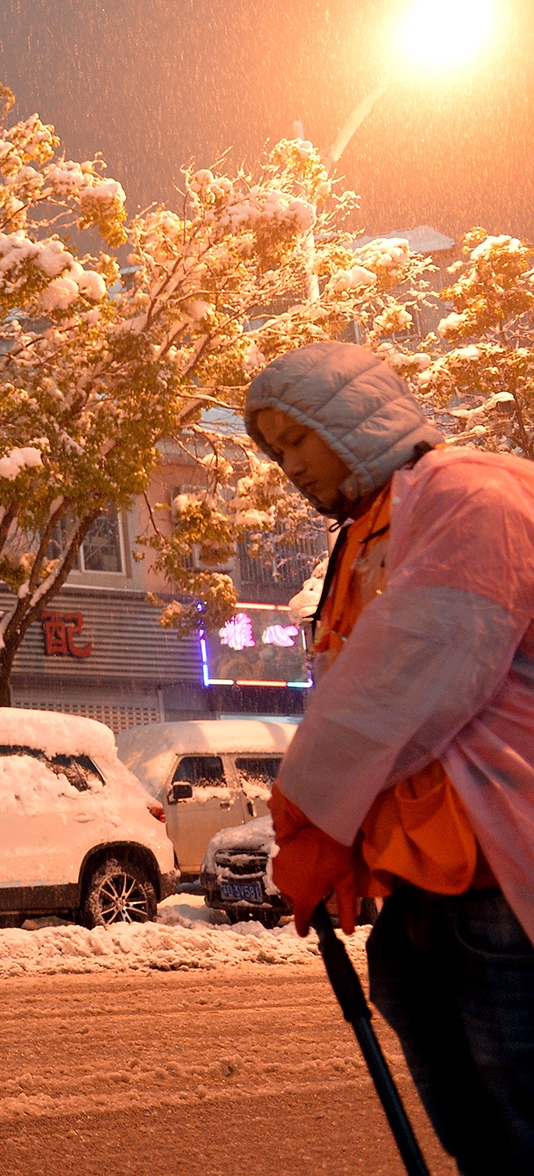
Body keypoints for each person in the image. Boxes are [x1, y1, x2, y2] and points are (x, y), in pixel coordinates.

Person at [245, 341, 534, 1172]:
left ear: (352, 416)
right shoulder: (370, 531)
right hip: (421, 891)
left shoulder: (469, 492)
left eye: (296, 438)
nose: (286, 466)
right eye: (273, 449)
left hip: (500, 891)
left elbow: (408, 674)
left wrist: (309, 819)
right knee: (478, 1138)